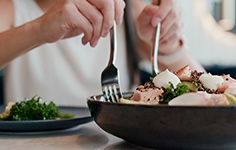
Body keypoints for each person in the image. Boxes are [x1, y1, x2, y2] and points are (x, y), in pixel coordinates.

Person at [0, 0, 204, 107]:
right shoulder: (11, 7)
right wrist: (40, 29)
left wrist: (169, 49)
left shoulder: (128, 9)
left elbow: (216, 101)